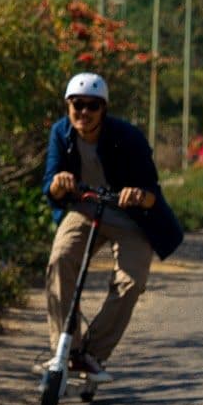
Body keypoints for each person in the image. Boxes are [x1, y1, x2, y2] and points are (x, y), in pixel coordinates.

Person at [42, 72, 182, 382]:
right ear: (68, 106)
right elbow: (48, 186)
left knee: (131, 282)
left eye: (92, 105)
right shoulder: (61, 133)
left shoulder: (127, 137)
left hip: (128, 216)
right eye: (77, 104)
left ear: (103, 109)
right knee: (60, 261)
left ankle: (91, 354)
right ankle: (65, 350)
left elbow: (151, 195)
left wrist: (137, 194)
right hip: (84, 209)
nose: (84, 112)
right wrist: (58, 184)